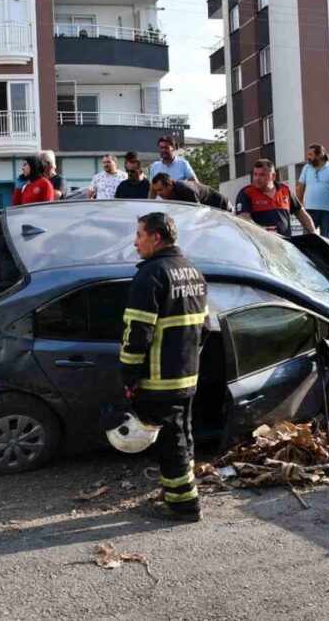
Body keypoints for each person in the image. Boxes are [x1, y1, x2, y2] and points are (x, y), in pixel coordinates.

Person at [119, 212, 208, 523]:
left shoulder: (151, 274)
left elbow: (137, 332)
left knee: (171, 443)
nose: (135, 242)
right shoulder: (193, 271)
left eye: (139, 235)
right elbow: (205, 326)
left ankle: (184, 506)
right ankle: (179, 495)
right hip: (187, 373)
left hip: (159, 378)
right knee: (183, 435)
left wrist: (129, 374)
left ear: (156, 237)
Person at [235, 159, 317, 237]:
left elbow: (301, 213)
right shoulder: (246, 193)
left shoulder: (284, 190)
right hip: (261, 245)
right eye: (255, 174)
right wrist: (262, 230)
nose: (257, 178)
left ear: (273, 176)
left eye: (262, 175)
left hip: (286, 244)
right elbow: (244, 221)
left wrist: (314, 233)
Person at [296, 144, 329, 239]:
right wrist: (297, 207)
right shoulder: (306, 168)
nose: (308, 157)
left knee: (327, 241)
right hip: (308, 211)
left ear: (319, 155)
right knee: (308, 239)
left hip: (327, 211)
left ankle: (326, 255)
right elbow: (301, 187)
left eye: (311, 155)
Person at [150, 174, 230, 211]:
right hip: (210, 209)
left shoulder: (186, 191)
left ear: (169, 185)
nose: (158, 194)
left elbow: (197, 212)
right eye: (156, 191)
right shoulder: (169, 194)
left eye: (160, 190)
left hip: (222, 206)